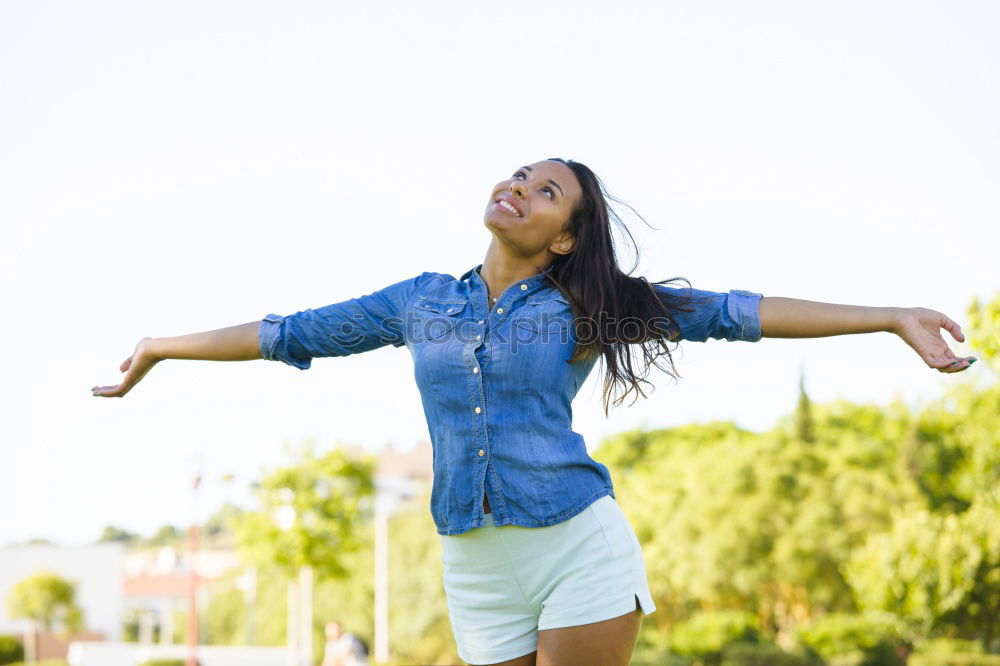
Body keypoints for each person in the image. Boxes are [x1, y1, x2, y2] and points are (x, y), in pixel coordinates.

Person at [92, 158, 974, 665]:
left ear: (562, 239)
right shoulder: (418, 300)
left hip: (574, 545)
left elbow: (737, 313)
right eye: (518, 174)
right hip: (471, 561)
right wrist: (165, 346)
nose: (518, 186)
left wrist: (892, 316)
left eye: (545, 191)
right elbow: (290, 332)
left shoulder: (592, 303)